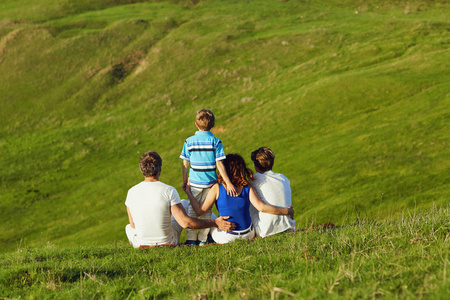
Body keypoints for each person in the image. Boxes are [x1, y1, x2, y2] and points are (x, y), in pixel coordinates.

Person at [125, 150, 235, 248]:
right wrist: (214, 222)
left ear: (141, 170)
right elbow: (185, 223)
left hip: (141, 244)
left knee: (128, 227)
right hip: (168, 242)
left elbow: (133, 225)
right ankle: (214, 228)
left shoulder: (131, 192)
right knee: (185, 204)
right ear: (160, 169)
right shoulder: (168, 190)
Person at [183, 154, 294, 244]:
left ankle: (203, 240)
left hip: (227, 237)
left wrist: (188, 192)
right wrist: (287, 210)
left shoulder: (217, 188)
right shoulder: (247, 187)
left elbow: (199, 211)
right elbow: (261, 207)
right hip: (248, 234)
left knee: (210, 216)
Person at [180, 109, 237, 246]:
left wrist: (184, 180)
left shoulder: (189, 142)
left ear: (196, 124)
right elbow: (219, 164)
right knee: (206, 212)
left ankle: (191, 239)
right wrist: (228, 182)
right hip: (211, 184)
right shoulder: (216, 142)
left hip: (194, 183)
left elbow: (185, 163)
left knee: (192, 210)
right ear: (213, 124)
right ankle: (202, 240)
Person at [250, 147, 295, 238]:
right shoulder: (283, 178)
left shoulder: (255, 179)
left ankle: (244, 232)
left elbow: (260, 207)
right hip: (289, 226)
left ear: (256, 165)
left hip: (266, 231)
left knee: (249, 196)